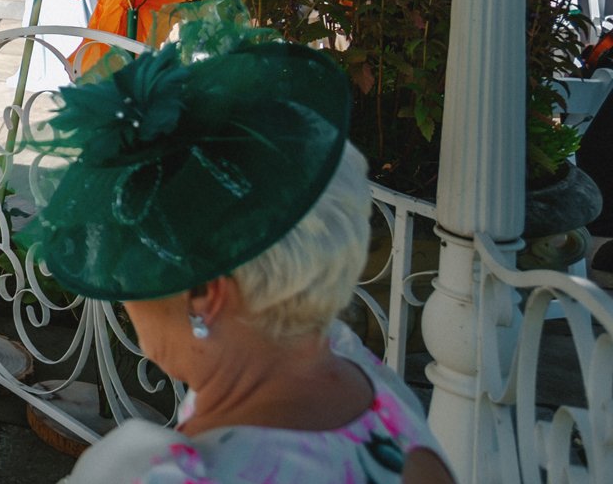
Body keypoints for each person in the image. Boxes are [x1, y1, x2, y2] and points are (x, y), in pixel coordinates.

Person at [29, 39, 453, 484]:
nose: (124, 293)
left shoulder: (156, 475)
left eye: (133, 266)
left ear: (202, 294)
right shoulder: (369, 385)